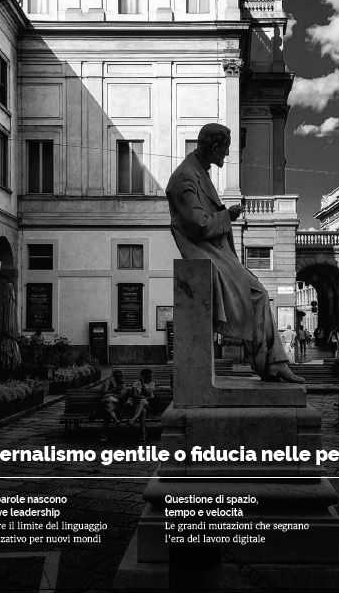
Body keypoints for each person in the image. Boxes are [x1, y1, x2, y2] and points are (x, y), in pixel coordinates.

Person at [166, 124, 303, 384]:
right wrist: (227, 217)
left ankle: (272, 363)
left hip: (216, 253)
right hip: (204, 252)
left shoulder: (197, 173)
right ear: (214, 146)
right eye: (225, 149)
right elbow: (198, 225)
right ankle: (272, 364)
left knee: (258, 294)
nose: (227, 154)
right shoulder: (185, 177)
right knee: (257, 293)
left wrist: (225, 217)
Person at [99, 369, 131, 440]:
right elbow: (104, 392)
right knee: (107, 403)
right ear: (114, 376)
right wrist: (114, 389)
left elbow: (121, 397)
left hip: (116, 405)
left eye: (120, 376)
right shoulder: (108, 381)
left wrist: (111, 394)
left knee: (107, 404)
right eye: (117, 376)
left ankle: (105, 433)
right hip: (108, 404)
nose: (119, 378)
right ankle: (115, 420)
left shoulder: (122, 385)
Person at [128, 368, 156, 442]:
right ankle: (143, 434)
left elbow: (149, 392)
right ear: (144, 376)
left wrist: (143, 384)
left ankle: (133, 420)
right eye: (150, 376)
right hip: (138, 405)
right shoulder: (135, 383)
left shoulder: (152, 384)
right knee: (143, 411)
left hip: (149, 405)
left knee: (143, 402)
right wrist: (147, 398)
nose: (151, 378)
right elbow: (135, 395)